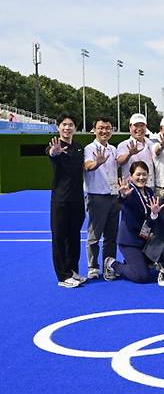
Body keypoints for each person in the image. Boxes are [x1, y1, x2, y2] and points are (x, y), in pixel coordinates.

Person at [47, 113, 86, 288]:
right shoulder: (54, 146)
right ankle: (62, 276)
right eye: (64, 124)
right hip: (60, 200)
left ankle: (72, 270)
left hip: (77, 199)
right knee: (59, 237)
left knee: (74, 236)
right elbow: (51, 154)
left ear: (75, 128)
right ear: (58, 127)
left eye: (71, 125)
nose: (67, 127)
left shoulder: (79, 148)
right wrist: (54, 152)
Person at [104, 161, 159, 284]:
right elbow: (124, 202)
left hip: (144, 240)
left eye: (144, 174)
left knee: (154, 264)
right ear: (131, 176)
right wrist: (123, 196)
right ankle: (112, 264)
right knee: (142, 277)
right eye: (138, 174)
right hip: (130, 241)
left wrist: (154, 215)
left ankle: (133, 263)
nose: (141, 178)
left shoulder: (149, 192)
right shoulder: (128, 191)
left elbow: (149, 216)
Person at [83, 116, 119, 280]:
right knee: (94, 235)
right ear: (94, 129)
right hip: (97, 196)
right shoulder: (89, 148)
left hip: (113, 196)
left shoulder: (113, 149)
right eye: (101, 128)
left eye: (108, 128)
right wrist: (97, 163)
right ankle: (93, 266)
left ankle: (109, 265)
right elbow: (88, 166)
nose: (104, 131)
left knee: (111, 236)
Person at [117, 113, 155, 189]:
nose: (139, 129)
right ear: (130, 127)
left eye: (142, 125)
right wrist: (129, 154)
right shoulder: (124, 145)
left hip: (149, 186)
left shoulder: (151, 144)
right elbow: (119, 161)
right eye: (136, 125)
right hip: (130, 187)